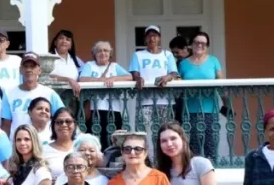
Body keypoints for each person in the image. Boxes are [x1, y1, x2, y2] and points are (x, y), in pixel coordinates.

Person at [129, 26, 179, 157]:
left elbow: (174, 73)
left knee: (165, 131)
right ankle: (145, 158)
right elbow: (135, 73)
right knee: (142, 132)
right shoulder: (138, 55)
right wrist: (138, 78)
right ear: (145, 39)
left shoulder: (167, 54)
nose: (152, 38)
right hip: (145, 101)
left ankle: (164, 158)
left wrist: (167, 77)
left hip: (165, 101)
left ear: (159, 38)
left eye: (155, 35)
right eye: (149, 36)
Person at [178, 31, 224, 161]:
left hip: (210, 108)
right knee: (193, 144)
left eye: (203, 43)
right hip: (189, 110)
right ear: (191, 45)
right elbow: (177, 85)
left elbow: (221, 84)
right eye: (197, 42)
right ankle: (194, 169)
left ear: (207, 46)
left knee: (210, 143)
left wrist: (227, 104)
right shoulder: (183, 64)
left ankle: (212, 168)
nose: (200, 45)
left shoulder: (213, 61)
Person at [0, 53, 64, 140]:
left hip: (44, 143)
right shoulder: (9, 93)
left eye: (32, 67)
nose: (29, 70)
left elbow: (62, 117)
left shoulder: (49, 93)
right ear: (20, 70)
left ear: (39, 70)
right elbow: (6, 124)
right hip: (19, 144)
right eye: (26, 66)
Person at [78, 40, 132, 141]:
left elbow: (129, 77)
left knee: (114, 140)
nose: (103, 53)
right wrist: (101, 80)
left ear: (110, 53)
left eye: (106, 50)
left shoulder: (114, 66)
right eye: (99, 51)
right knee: (95, 139)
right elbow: (83, 79)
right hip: (94, 110)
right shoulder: (89, 65)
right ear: (94, 54)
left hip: (114, 110)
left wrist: (113, 78)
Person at [41, 108, 79, 181]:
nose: (64, 125)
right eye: (59, 122)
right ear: (53, 126)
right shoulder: (43, 151)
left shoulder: (81, 147)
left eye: (68, 121)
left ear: (74, 125)